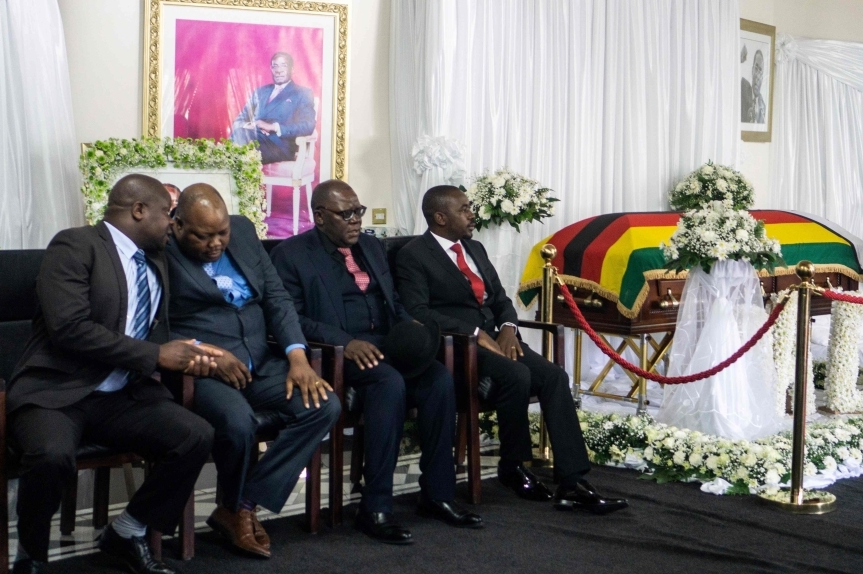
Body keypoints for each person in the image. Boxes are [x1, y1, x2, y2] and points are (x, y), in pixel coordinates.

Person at [6, 175, 222, 574]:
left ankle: (127, 530)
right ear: (139, 210)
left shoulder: (155, 258)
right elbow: (68, 328)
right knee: (51, 456)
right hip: (57, 390)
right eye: (168, 215)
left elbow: (152, 327)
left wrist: (191, 355)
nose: (173, 225)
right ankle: (31, 555)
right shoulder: (74, 246)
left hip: (122, 394)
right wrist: (156, 355)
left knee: (195, 435)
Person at [271, 180, 482, 545]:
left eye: (359, 211)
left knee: (437, 378)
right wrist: (345, 342)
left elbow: (394, 302)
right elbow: (290, 318)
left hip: (384, 343)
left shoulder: (370, 245)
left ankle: (437, 494)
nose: (356, 220)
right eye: (346, 214)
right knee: (388, 382)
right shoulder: (292, 255)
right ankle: (376, 506)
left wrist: (411, 330)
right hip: (335, 351)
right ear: (319, 216)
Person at [394, 186, 628, 515]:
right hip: (455, 347)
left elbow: (501, 299)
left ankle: (572, 481)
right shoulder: (414, 255)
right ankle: (512, 466)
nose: (471, 213)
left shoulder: (473, 247)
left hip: (496, 337)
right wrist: (474, 333)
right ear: (440, 217)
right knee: (516, 374)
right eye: (464, 209)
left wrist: (508, 329)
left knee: (553, 377)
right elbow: (418, 311)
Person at [166, 184, 340, 558]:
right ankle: (238, 510)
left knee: (323, 405)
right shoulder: (159, 249)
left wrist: (297, 357)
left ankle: (240, 506)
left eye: (221, 232)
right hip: (204, 371)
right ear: (177, 225)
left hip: (260, 363)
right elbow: (156, 324)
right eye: (203, 235)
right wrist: (207, 357)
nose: (216, 243)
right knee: (238, 423)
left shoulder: (243, 231)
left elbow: (276, 298)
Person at [230, 52, 316, 164]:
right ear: (271, 69)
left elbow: (308, 125)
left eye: (283, 65)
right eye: (275, 66)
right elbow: (239, 121)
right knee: (240, 135)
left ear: (292, 69)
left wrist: (273, 127)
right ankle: (239, 174)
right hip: (252, 139)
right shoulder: (260, 92)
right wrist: (252, 125)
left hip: (278, 147)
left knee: (238, 141)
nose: (278, 70)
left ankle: (232, 173)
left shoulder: (302, 93)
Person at [741, 48, 766, 124]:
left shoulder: (763, 106)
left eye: (760, 71)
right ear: (752, 70)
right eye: (756, 68)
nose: (757, 74)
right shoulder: (743, 87)